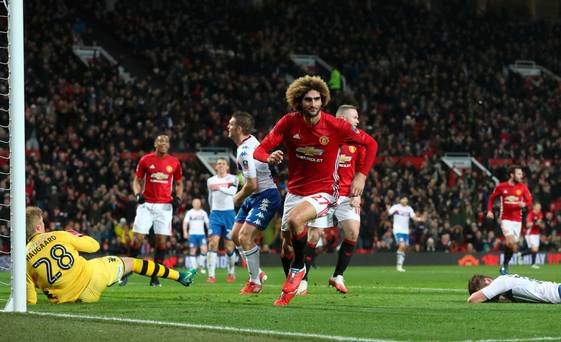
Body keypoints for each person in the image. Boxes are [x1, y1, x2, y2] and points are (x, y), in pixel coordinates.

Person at [253, 75, 378, 306]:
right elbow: (259, 150)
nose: (313, 104)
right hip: (295, 191)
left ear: (323, 100)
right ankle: (290, 285)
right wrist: (269, 157)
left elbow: (371, 144)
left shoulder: (335, 125)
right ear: (299, 102)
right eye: (308, 100)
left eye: (317, 99)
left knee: (295, 220)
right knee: (287, 245)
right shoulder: (289, 123)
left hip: (324, 191)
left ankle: (299, 270)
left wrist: (361, 176)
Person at [25, 206, 196, 304]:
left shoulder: (23, 258)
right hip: (93, 280)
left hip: (63, 299)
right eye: (43, 224)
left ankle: (116, 276)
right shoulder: (58, 235)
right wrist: (76, 235)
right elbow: (94, 246)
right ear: (39, 227)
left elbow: (31, 300)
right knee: (134, 263)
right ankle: (181, 276)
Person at [301, 104, 366, 295]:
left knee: (353, 233)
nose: (358, 121)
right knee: (314, 235)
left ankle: (338, 276)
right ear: (343, 119)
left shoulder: (359, 141)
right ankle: (303, 280)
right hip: (325, 192)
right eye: (355, 117)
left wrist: (358, 194)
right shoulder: (326, 136)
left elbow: (361, 171)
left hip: (347, 195)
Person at [227, 111, 281, 294]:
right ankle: (257, 271)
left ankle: (254, 282)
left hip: (266, 195)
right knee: (235, 235)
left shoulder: (244, 150)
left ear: (239, 128)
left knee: (244, 237)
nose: (228, 127)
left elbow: (251, 185)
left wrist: (234, 199)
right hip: (255, 196)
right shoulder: (249, 143)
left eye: (230, 124)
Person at [127, 134, 183, 287]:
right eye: (160, 140)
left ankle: (155, 277)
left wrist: (178, 197)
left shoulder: (174, 162)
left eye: (166, 141)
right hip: (146, 205)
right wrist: (138, 194)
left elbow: (179, 183)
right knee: (137, 239)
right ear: (155, 144)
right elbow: (136, 180)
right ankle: (126, 271)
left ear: (169, 145)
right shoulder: (145, 159)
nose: (163, 143)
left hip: (165, 207)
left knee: (161, 242)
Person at [486, 165, 533, 274]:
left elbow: (530, 201)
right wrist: (489, 210)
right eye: (519, 174)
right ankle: (505, 265)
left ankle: (505, 264)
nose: (521, 176)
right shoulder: (501, 187)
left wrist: (524, 204)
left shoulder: (523, 187)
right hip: (505, 219)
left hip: (518, 221)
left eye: (521, 174)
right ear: (512, 175)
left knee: (512, 246)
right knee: (510, 241)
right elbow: (492, 198)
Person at [207, 158, 239, 283]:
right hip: (215, 214)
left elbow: (232, 192)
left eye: (223, 164)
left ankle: (231, 272)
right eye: (218, 163)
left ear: (227, 167)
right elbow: (210, 196)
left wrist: (219, 188)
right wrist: (211, 210)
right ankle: (211, 275)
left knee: (229, 247)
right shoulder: (210, 180)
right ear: (215, 167)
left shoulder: (233, 179)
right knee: (213, 243)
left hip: (229, 214)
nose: (220, 165)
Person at [467, 273, 561, 304]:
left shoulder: (499, 282)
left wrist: (484, 296)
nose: (487, 282)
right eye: (483, 285)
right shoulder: (503, 285)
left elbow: (472, 299)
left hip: (556, 293)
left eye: (484, 279)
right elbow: (503, 298)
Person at [388, 196, 419, 272]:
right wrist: (388, 208)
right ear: (400, 200)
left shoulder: (409, 209)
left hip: (405, 231)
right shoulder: (396, 207)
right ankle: (399, 266)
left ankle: (400, 265)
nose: (405, 200)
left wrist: (420, 219)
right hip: (398, 230)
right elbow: (389, 213)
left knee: (404, 248)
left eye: (406, 198)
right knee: (402, 246)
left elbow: (414, 217)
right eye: (403, 198)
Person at [182, 198, 209, 274]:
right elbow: (185, 223)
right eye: (195, 202)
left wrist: (210, 232)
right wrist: (185, 232)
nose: (197, 204)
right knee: (193, 250)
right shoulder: (190, 213)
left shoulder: (203, 213)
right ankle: (194, 268)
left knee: (204, 249)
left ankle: (201, 265)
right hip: (192, 234)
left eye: (198, 202)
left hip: (201, 234)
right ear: (192, 204)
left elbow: (207, 224)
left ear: (200, 204)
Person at [522, 202, 543, 269]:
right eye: (538, 206)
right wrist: (535, 223)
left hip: (536, 233)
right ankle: (533, 264)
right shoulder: (530, 214)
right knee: (534, 249)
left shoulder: (540, 214)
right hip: (530, 233)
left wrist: (539, 225)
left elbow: (540, 223)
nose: (540, 208)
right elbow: (528, 225)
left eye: (540, 207)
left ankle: (521, 254)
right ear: (534, 207)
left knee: (535, 249)